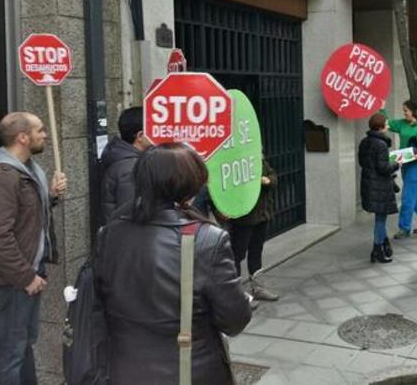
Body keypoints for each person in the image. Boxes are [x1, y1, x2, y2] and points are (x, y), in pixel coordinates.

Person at [94, 143, 251, 384]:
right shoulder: (208, 240)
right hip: (188, 371)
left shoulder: (110, 233)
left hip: (123, 369)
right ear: (189, 184)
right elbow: (234, 320)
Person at [0, 112, 68, 384]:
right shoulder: (3, 174)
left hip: (25, 274)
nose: (45, 134)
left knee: (22, 346)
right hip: (11, 281)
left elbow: (25, 217)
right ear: (22, 137)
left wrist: (50, 196)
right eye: (40, 130)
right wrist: (26, 276)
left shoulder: (26, 169)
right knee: (8, 356)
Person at [227, 156, 280, 301]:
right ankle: (237, 295)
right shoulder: (235, 162)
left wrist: (268, 181)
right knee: (237, 254)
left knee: (256, 252)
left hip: (262, 214)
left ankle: (258, 288)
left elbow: (273, 176)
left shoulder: (259, 158)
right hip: (244, 217)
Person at [358, 113, 400, 264]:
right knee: (380, 219)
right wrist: (396, 164)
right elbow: (383, 167)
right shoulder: (381, 144)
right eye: (386, 124)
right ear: (381, 126)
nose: (388, 126)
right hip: (380, 186)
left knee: (380, 217)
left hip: (369, 184)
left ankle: (383, 244)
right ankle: (377, 250)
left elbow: (362, 162)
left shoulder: (365, 141)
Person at [100, 106, 150, 223]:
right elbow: (130, 215)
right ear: (140, 136)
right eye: (154, 130)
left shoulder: (126, 160)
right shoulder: (130, 169)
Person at [387, 100, 417, 238]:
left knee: (408, 198)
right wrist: (381, 109)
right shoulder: (402, 123)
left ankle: (404, 228)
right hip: (405, 163)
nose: (404, 113)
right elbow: (386, 123)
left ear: (414, 111)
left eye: (406, 110)